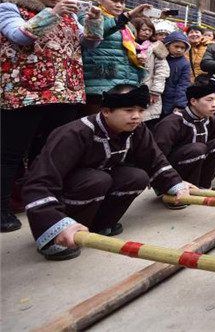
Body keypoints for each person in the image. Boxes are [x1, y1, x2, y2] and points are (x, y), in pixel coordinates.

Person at [21, 84, 191, 260]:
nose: (136, 116)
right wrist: (54, 222)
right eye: (128, 110)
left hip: (96, 183)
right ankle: (58, 237)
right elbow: (38, 182)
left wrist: (176, 184)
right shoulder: (73, 133)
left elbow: (154, 159)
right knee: (97, 179)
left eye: (141, 110)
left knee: (136, 177)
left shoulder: (137, 129)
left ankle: (99, 225)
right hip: (70, 189)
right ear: (106, 111)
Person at [0, 0, 104, 232]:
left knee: (48, 152)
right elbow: (20, 36)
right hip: (26, 93)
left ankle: (38, 202)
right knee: (10, 153)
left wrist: (94, 20)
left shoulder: (69, 17)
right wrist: (55, 11)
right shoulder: (10, 8)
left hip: (65, 93)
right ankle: (1, 208)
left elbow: (90, 43)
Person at [152, 75, 215, 191]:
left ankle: (203, 186)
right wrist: (169, 183)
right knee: (197, 149)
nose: (214, 104)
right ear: (193, 101)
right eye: (209, 100)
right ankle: (178, 190)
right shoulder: (171, 123)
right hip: (170, 175)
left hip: (194, 163)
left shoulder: (211, 120)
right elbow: (157, 158)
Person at [81, 0, 153, 114]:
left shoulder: (127, 25)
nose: (119, 5)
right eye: (114, 1)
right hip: (100, 80)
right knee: (97, 123)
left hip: (124, 81)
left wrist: (137, 61)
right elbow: (96, 34)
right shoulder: (90, 14)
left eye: (122, 2)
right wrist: (127, 16)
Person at [132, 17, 169, 125]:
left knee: (146, 122)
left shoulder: (156, 46)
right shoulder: (127, 43)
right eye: (144, 30)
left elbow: (162, 70)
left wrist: (156, 91)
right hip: (130, 87)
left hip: (149, 90)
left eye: (150, 30)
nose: (147, 33)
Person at [161, 30, 192, 117]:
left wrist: (179, 105)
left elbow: (183, 85)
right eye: (176, 46)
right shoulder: (160, 58)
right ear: (168, 45)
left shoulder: (185, 64)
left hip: (171, 101)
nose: (179, 50)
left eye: (182, 48)